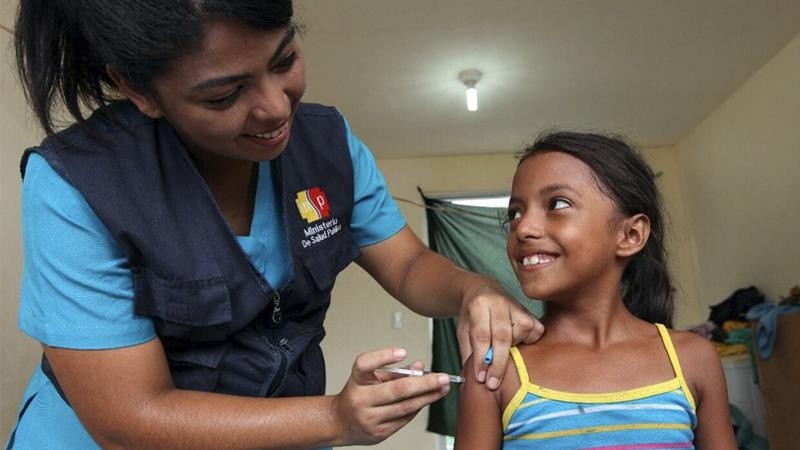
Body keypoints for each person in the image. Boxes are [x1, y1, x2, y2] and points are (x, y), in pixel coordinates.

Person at [6, 1, 544, 448]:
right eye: (224, 95)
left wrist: (476, 289)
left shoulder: (327, 145)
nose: (274, 108)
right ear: (139, 91)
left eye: (284, 60)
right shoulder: (78, 183)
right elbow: (131, 415)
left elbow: (407, 264)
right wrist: (336, 418)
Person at [454, 131, 737, 449]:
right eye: (515, 213)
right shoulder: (495, 373)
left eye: (557, 204)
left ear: (630, 234)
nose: (524, 228)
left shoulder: (693, 359)